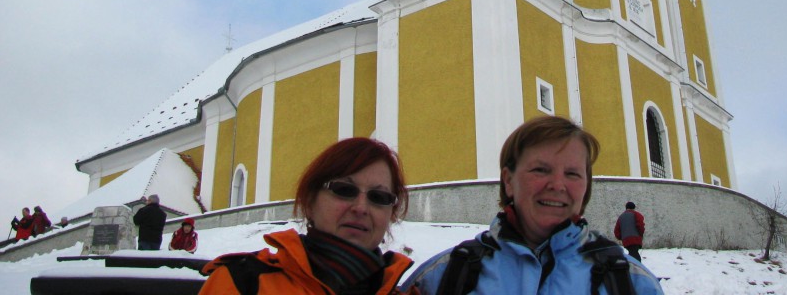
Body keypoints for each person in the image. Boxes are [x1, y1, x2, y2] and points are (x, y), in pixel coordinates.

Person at [403, 116, 663, 295]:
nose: (557, 184)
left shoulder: (630, 282)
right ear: (508, 181)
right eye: (540, 169)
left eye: (572, 173)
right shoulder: (446, 276)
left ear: (586, 188)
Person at [200, 137, 418, 295]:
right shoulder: (242, 283)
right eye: (343, 190)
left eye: (379, 197)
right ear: (310, 202)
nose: (361, 208)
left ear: (391, 214)